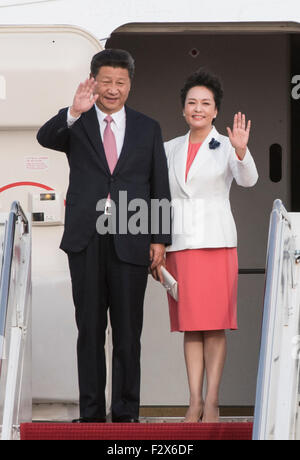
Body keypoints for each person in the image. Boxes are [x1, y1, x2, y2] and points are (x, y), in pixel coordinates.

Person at [37, 49, 171, 423]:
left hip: (131, 234)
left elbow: (159, 185)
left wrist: (159, 239)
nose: (113, 90)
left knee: (129, 333)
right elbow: (44, 137)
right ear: (94, 82)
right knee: (90, 330)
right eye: (106, 82)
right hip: (86, 237)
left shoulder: (148, 127)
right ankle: (92, 414)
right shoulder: (76, 122)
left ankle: (126, 412)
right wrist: (73, 111)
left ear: (130, 84)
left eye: (120, 83)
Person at [154, 70, 258, 423]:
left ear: (215, 111)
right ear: (183, 109)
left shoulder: (228, 146)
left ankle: (212, 401)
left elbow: (248, 180)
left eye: (205, 104)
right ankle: (193, 401)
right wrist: (157, 244)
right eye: (192, 103)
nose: (198, 109)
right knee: (191, 325)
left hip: (215, 244)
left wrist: (242, 151)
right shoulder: (168, 148)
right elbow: (160, 198)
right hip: (180, 246)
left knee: (214, 325)